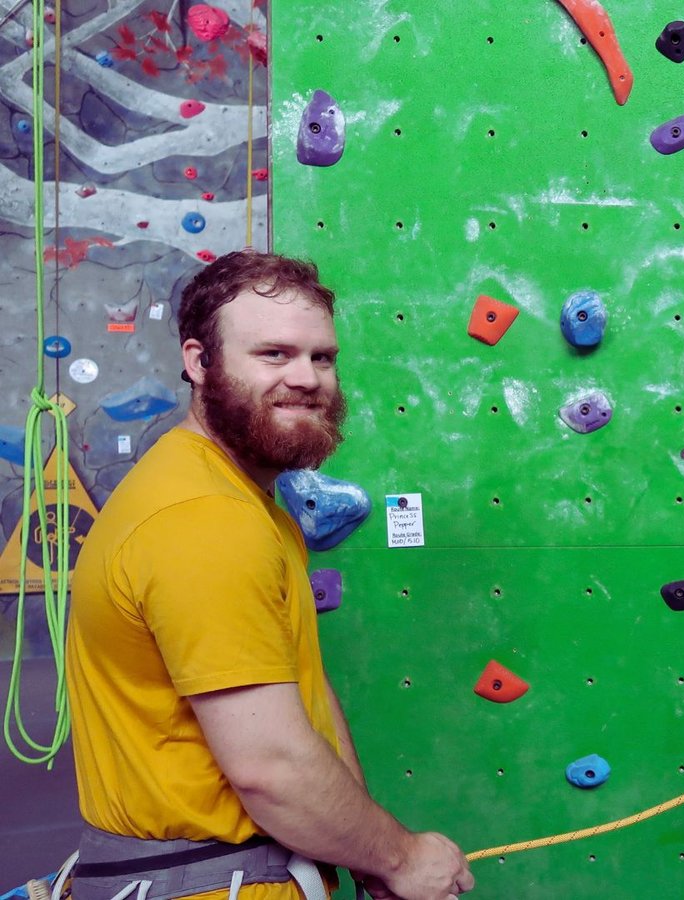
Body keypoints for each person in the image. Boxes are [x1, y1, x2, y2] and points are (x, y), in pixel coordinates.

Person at [64, 251, 474, 900]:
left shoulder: (249, 508)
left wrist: (363, 852)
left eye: (322, 357)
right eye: (274, 355)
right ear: (199, 363)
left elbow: (303, 702)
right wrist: (400, 858)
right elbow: (271, 767)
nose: (308, 378)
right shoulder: (204, 519)